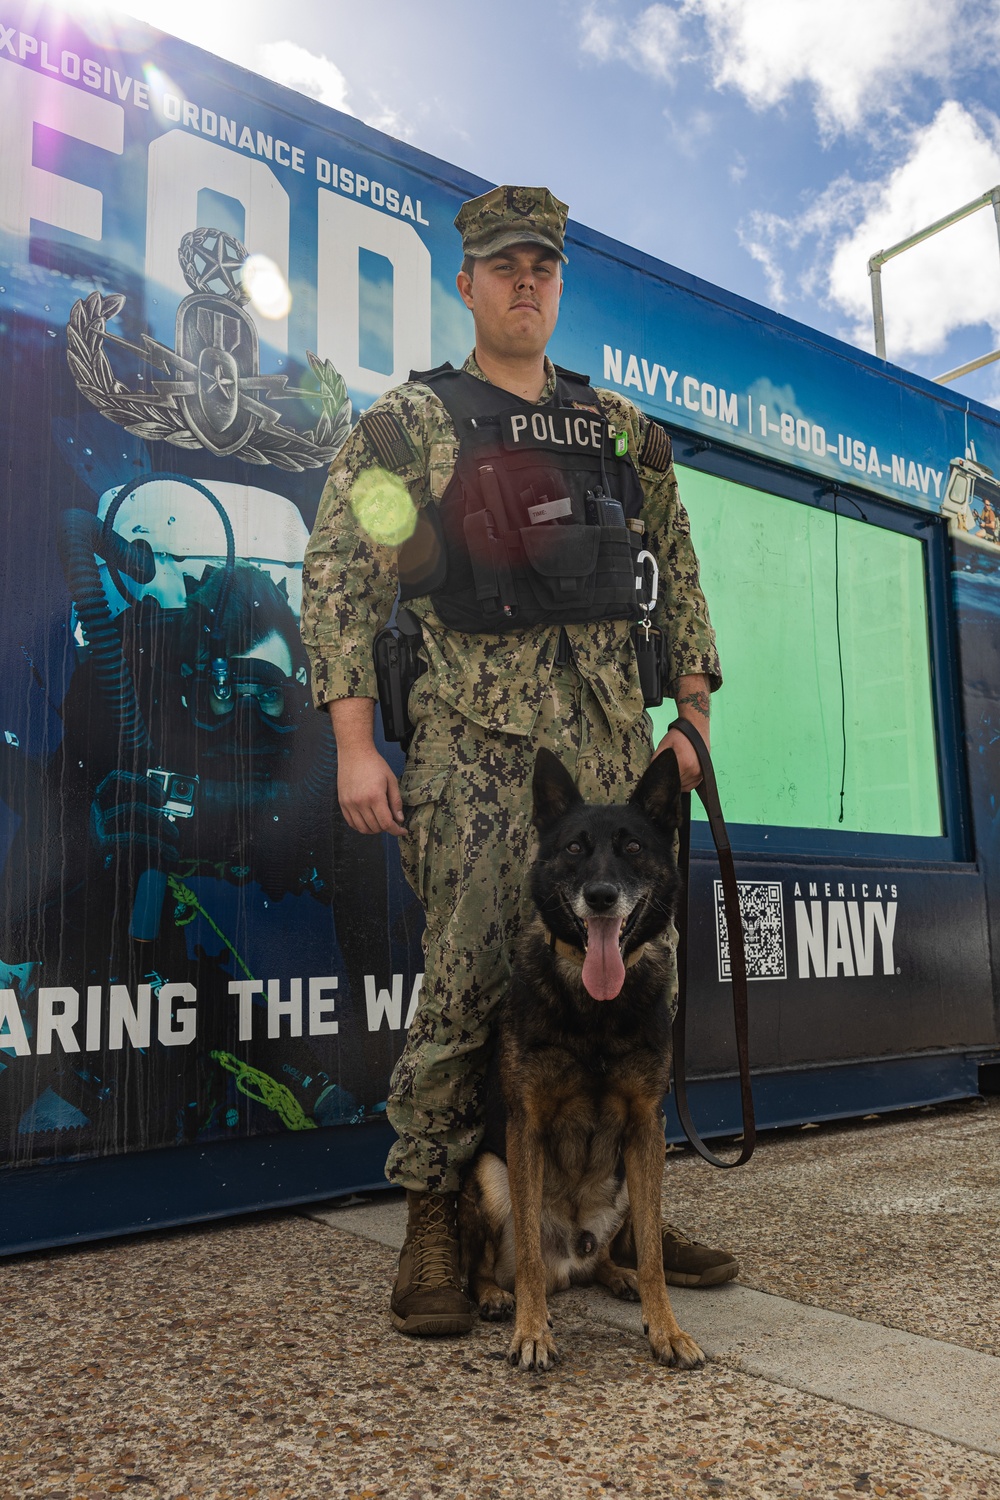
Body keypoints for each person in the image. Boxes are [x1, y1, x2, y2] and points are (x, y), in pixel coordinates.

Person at [301, 184, 736, 1338]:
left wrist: (689, 716)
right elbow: (341, 571)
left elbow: (676, 568)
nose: (525, 281)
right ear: (468, 283)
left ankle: (628, 1215)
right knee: (463, 985)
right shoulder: (413, 424)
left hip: (607, 750)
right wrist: (355, 744)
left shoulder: (619, 429)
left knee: (643, 975)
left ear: (557, 280)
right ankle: (438, 1217)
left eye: (541, 263)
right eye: (503, 265)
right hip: (476, 758)